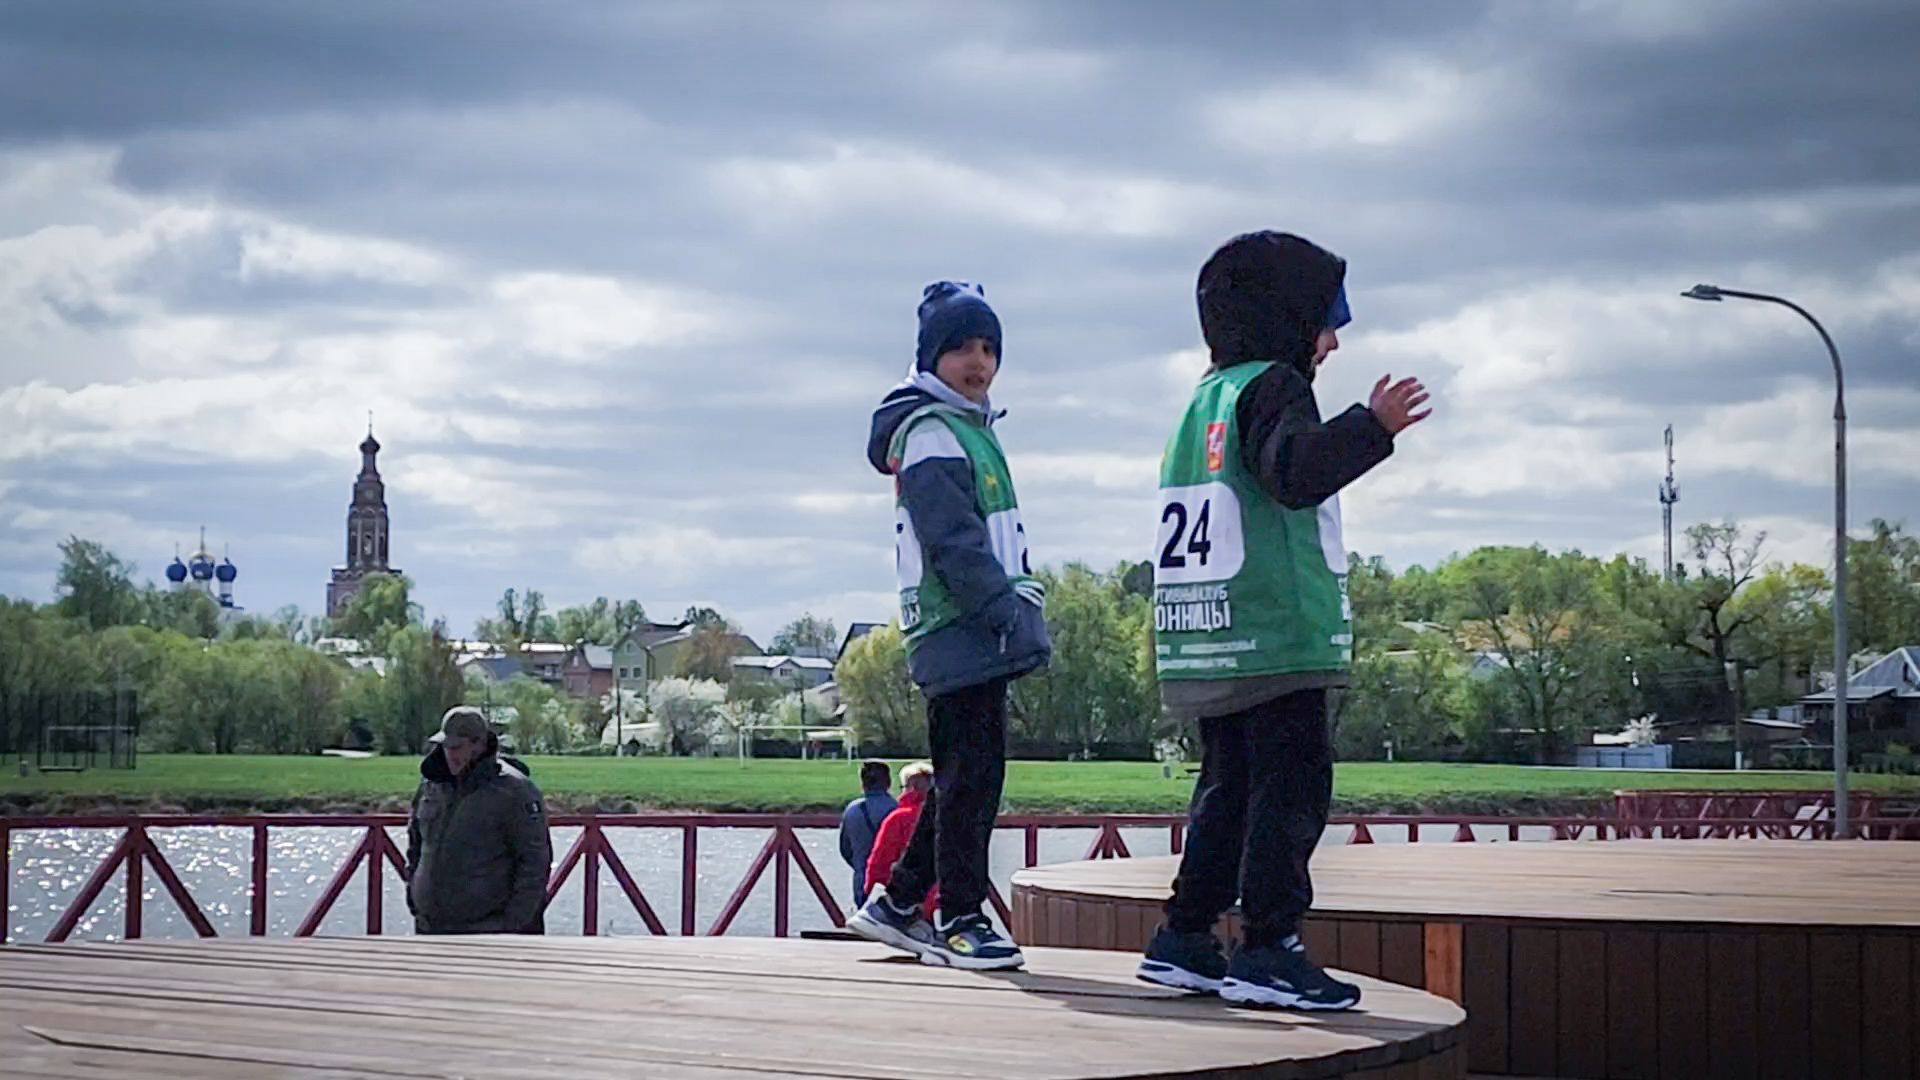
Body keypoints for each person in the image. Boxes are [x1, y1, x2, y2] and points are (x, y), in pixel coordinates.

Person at [1137, 231, 1429, 1009]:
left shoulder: (1207, 396)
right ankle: (1269, 946)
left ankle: (1185, 935)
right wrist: (1373, 427)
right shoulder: (1275, 386)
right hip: (1274, 633)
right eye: (1326, 322)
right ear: (1286, 318)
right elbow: (1294, 473)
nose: (1331, 343)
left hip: (1214, 637)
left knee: (1227, 789)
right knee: (1290, 791)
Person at [847, 280, 1051, 970]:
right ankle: (962, 917)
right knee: (971, 782)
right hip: (960, 625)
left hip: (971, 628)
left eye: (989, 348)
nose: (978, 361)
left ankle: (899, 903)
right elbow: (953, 539)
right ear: (931, 356)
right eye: (961, 347)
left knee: (966, 775)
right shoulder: (933, 431)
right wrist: (1001, 610)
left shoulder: (965, 428)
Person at [405, 706, 553, 935]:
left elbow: (535, 863)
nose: (450, 754)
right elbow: (415, 844)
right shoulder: (431, 785)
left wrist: (512, 924)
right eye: (445, 747)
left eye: (457, 747)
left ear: (479, 745)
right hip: (431, 926)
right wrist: (414, 897)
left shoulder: (514, 791)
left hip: (490, 931)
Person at [864, 761, 938, 917]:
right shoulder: (945, 818)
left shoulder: (898, 818)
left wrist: (872, 891)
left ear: (910, 787)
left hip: (905, 902)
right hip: (941, 901)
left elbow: (880, 860)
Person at [838, 759, 898, 907]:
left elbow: (845, 849)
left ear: (863, 783)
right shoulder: (897, 810)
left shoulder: (852, 810)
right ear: (888, 782)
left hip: (862, 882)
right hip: (892, 885)